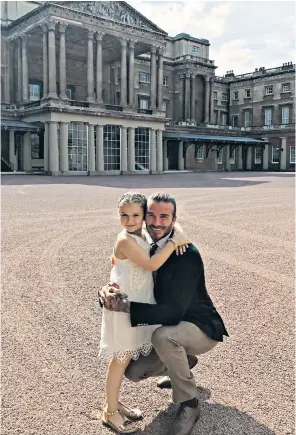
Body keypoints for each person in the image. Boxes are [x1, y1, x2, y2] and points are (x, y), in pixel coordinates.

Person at [100, 192, 229, 435]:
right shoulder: (143, 238)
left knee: (163, 337)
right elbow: (122, 267)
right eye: (152, 216)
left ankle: (189, 403)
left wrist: (125, 307)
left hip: (198, 326)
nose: (157, 222)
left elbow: (171, 313)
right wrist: (105, 291)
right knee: (133, 368)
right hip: (166, 321)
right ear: (145, 217)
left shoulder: (185, 254)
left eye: (164, 217)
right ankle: (182, 365)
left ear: (173, 219)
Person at [99, 192, 189, 434]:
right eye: (123, 215)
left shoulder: (143, 233)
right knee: (120, 359)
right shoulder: (125, 239)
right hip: (124, 307)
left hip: (138, 305)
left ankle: (114, 402)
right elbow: (150, 264)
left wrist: (178, 232)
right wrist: (174, 242)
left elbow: (171, 223)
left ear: (144, 216)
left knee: (125, 358)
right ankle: (109, 412)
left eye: (135, 215)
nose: (129, 220)